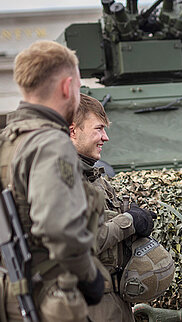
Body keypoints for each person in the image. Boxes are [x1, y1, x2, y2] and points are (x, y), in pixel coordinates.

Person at [0, 41, 104, 320]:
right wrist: (89, 275)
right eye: (79, 87)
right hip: (49, 295)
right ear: (66, 87)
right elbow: (59, 227)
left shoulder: (8, 141)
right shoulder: (51, 144)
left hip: (13, 291)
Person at [69, 94, 156, 322]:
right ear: (72, 131)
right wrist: (130, 221)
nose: (105, 138)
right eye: (98, 129)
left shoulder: (94, 176)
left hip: (114, 300)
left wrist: (138, 218)